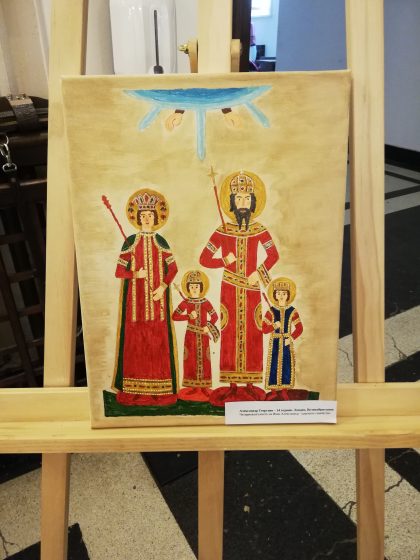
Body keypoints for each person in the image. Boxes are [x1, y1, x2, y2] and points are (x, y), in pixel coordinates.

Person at [199, 171, 279, 405]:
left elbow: (273, 255)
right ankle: (232, 384)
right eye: (238, 199)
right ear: (232, 202)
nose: (242, 203)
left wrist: (259, 273)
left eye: (246, 199)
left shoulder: (259, 229)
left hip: (252, 289)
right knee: (230, 331)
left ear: (252, 202)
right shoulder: (222, 230)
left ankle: (251, 385)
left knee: (253, 330)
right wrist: (224, 260)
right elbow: (204, 258)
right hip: (230, 289)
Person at [112, 188, 179, 406]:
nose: (147, 218)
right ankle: (134, 390)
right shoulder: (130, 242)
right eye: (144, 215)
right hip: (135, 307)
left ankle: (159, 391)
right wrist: (135, 274)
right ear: (138, 218)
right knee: (136, 344)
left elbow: (173, 269)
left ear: (156, 217)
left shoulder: (162, 241)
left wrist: (163, 287)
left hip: (157, 305)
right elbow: (119, 271)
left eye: (151, 215)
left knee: (157, 344)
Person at [172, 270, 219, 402]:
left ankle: (204, 387)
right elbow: (174, 316)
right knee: (190, 359)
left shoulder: (205, 302)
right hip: (190, 335)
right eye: (191, 286)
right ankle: (193, 387)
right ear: (188, 288)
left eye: (196, 286)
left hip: (203, 335)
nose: (194, 289)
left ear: (201, 288)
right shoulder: (186, 302)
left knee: (205, 359)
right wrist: (188, 316)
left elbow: (215, 316)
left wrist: (208, 326)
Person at [262, 277, 303, 400]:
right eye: (278, 293)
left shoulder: (292, 311)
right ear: (274, 295)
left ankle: (284, 390)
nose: (281, 296)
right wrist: (274, 326)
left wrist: (291, 338)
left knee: (286, 364)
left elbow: (299, 328)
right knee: (273, 363)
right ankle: (274, 390)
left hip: (286, 340)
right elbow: (264, 329)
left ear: (288, 295)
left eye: (284, 293)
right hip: (275, 341)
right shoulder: (271, 311)